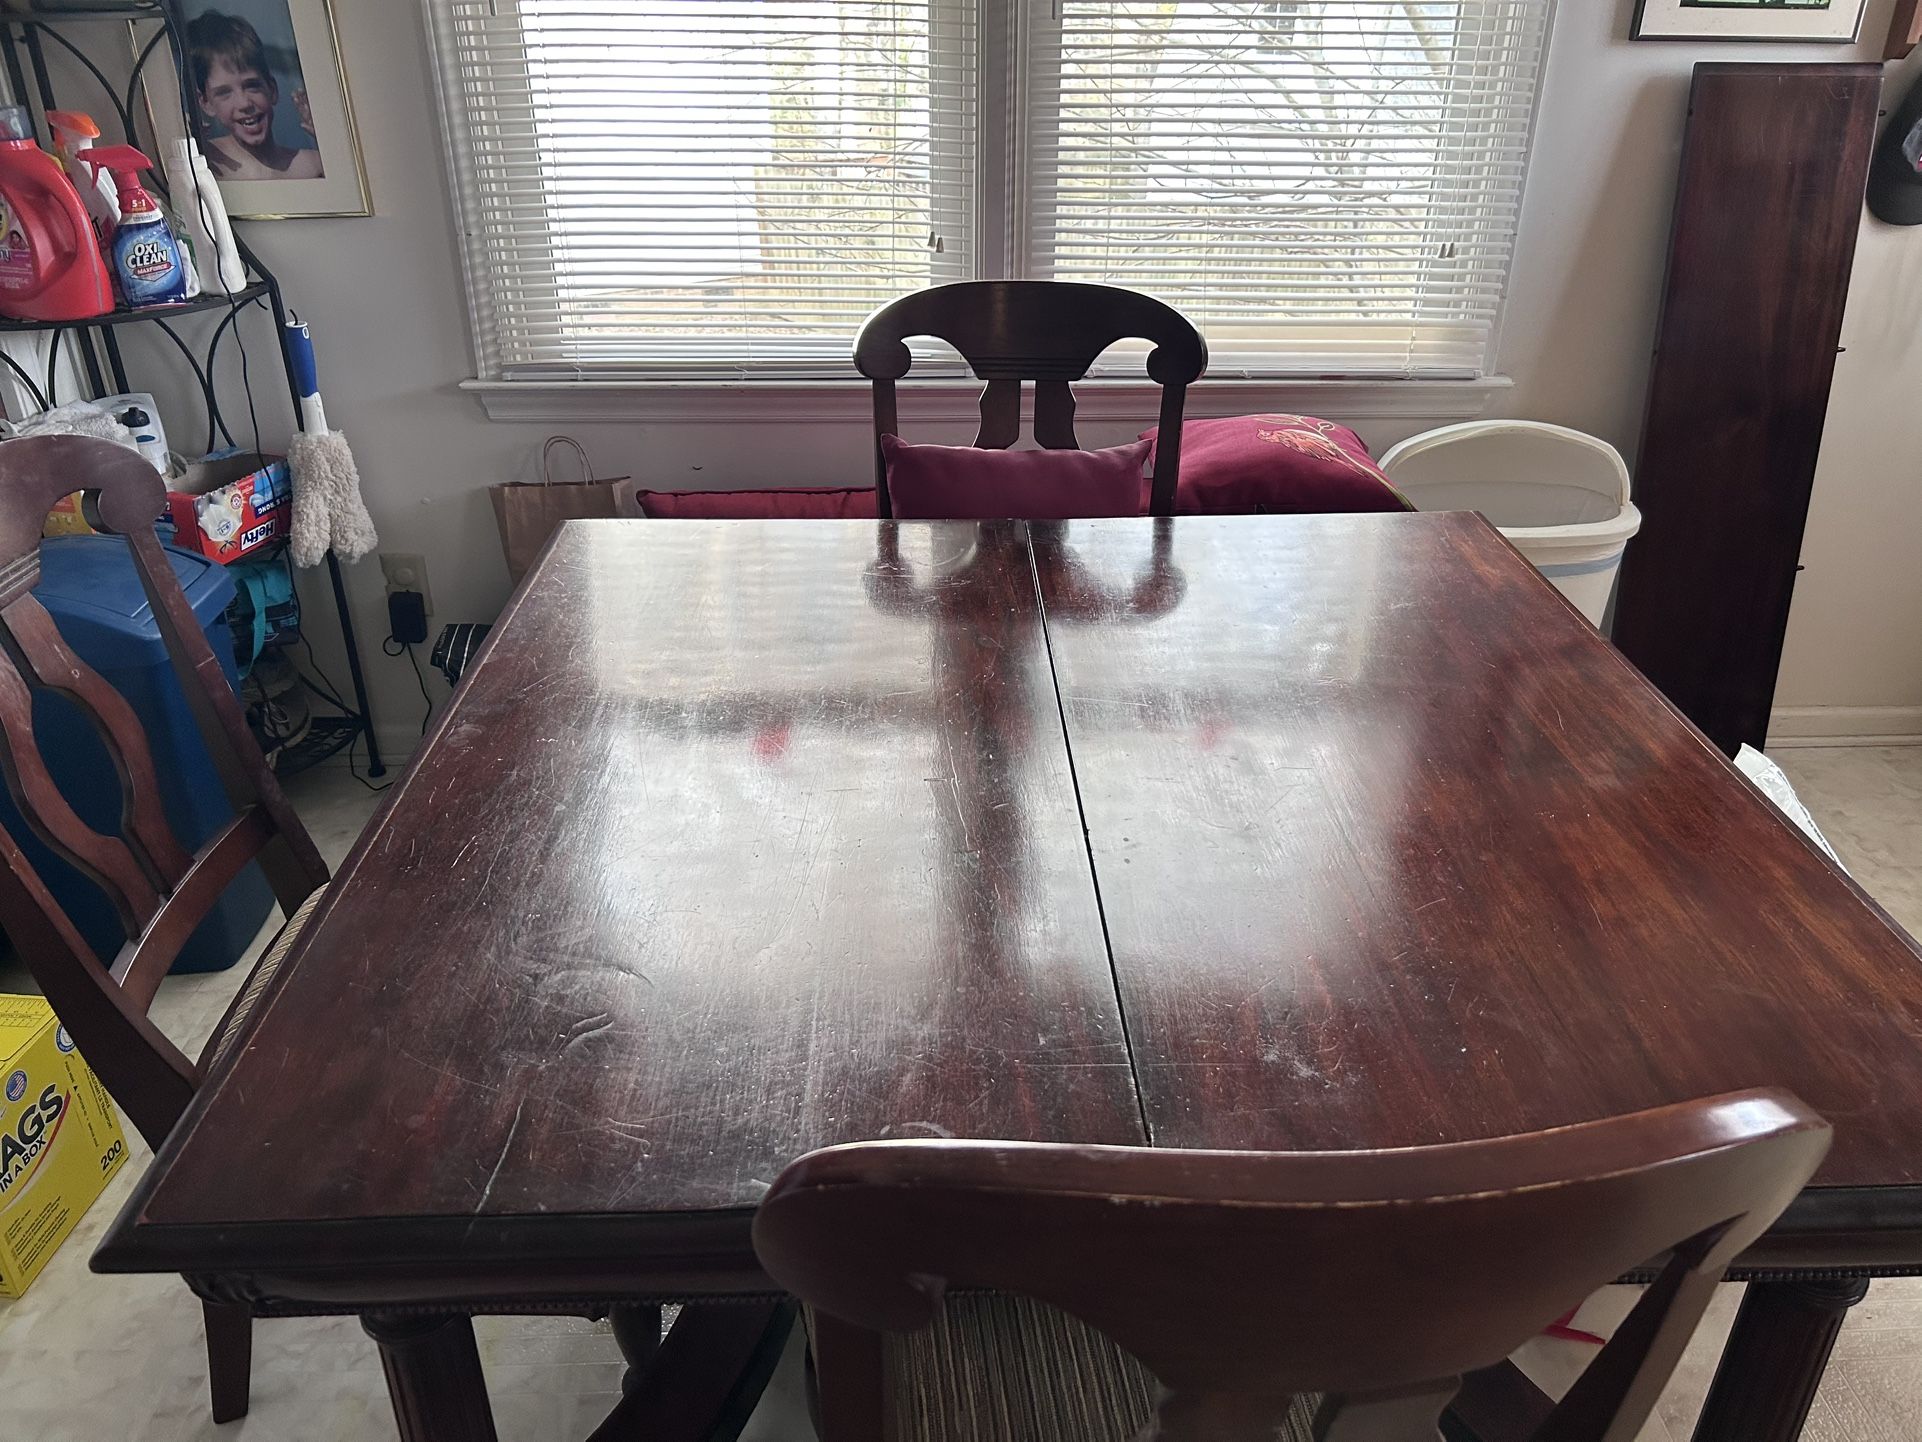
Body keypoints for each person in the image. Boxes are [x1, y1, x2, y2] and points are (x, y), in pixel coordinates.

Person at [186, 11, 324, 181]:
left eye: (252, 86)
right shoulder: (203, 166)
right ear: (206, 102)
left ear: (272, 90)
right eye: (224, 93)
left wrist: (327, 138)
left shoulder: (313, 166)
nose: (244, 103)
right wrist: (185, 145)